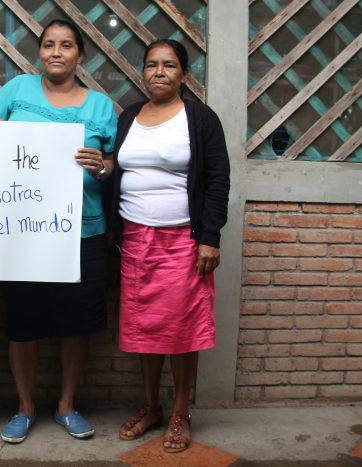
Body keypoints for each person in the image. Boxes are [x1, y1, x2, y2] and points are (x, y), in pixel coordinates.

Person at [0, 19, 117, 443]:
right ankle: (25, 407)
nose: (56, 51)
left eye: (66, 45)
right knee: (24, 323)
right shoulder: (17, 89)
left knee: (76, 324)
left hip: (82, 230)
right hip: (23, 230)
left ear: (80, 55)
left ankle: (67, 405)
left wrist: (102, 167)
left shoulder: (101, 106)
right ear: (39, 52)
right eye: (49, 44)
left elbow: (111, 166)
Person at [109, 39, 230, 453]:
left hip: (183, 240)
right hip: (135, 239)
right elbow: (118, 167)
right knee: (145, 327)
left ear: (184, 74)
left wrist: (209, 238)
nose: (159, 72)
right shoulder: (129, 117)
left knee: (181, 329)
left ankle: (180, 411)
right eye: (151, 65)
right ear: (142, 72)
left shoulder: (200, 118)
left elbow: (217, 179)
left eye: (169, 65)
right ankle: (150, 406)